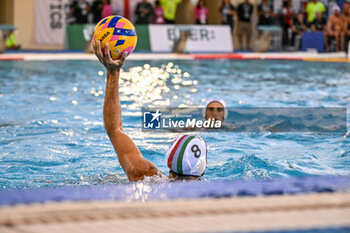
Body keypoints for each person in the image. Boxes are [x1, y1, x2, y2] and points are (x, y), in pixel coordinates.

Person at [92, 41, 208, 181]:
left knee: (111, 179)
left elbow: (114, 129)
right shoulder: (212, 195)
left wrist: (113, 72)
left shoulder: (145, 174)